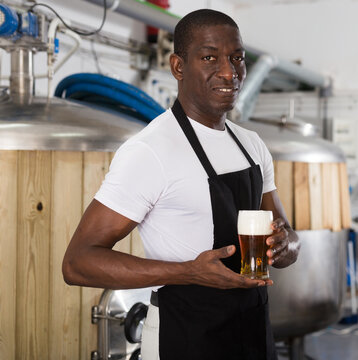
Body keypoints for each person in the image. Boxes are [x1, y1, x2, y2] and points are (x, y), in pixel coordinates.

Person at [62, 9, 299, 360]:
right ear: (178, 67)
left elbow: (288, 240)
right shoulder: (150, 151)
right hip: (184, 335)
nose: (228, 71)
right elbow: (78, 263)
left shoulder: (252, 145)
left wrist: (285, 246)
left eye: (237, 58)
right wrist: (187, 272)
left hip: (252, 331)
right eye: (209, 57)